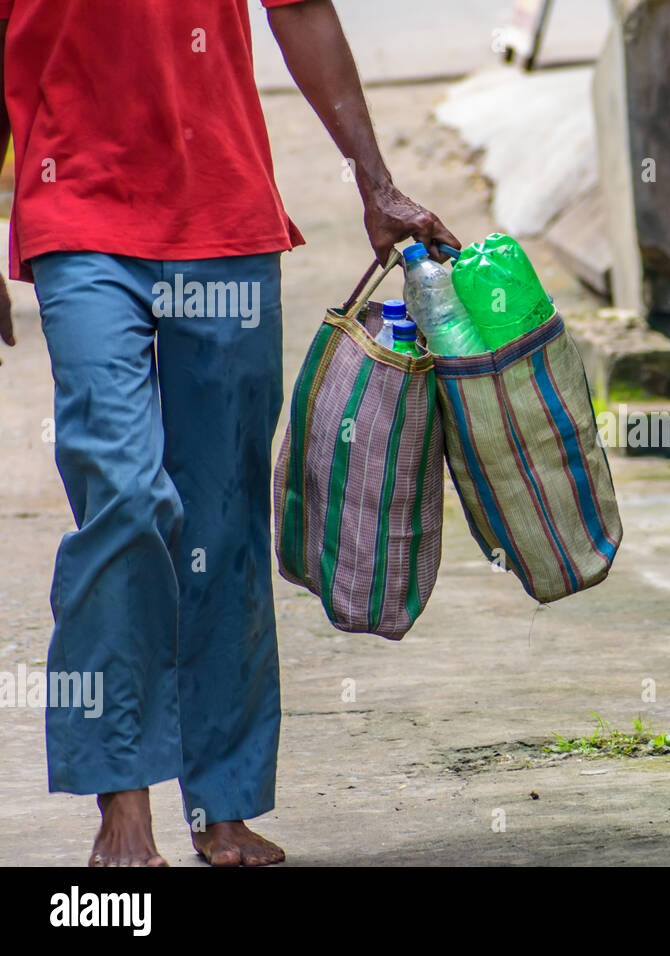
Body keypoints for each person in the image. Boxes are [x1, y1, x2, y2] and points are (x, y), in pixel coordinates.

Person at [0, 0, 459, 866]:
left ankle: (225, 800)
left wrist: (375, 180)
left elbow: (303, 12)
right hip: (80, 219)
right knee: (124, 500)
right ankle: (122, 799)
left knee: (222, 522)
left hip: (224, 220)